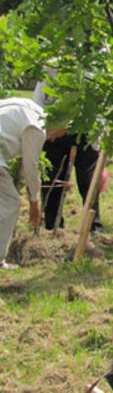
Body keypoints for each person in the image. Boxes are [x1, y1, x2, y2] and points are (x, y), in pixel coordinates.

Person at [33, 74, 103, 232]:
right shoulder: (50, 68)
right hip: (53, 133)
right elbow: (37, 103)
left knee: (87, 180)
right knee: (51, 178)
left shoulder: (90, 70)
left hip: (84, 131)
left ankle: (93, 226)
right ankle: (53, 225)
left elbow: (95, 106)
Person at [0, 98, 45, 269]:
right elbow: (31, 166)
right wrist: (34, 201)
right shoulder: (37, 126)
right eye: (60, 134)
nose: (54, 139)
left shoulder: (29, 107)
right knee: (10, 203)